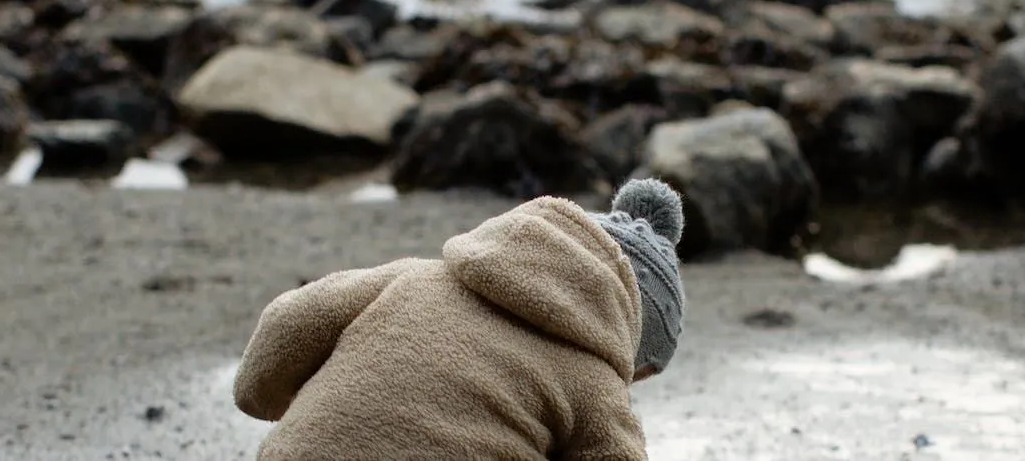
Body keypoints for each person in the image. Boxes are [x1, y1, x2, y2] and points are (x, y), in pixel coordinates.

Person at [233, 178, 687, 460]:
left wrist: (268, 400)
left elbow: (286, 323)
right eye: (640, 372)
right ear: (632, 332)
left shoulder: (410, 277)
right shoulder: (594, 384)